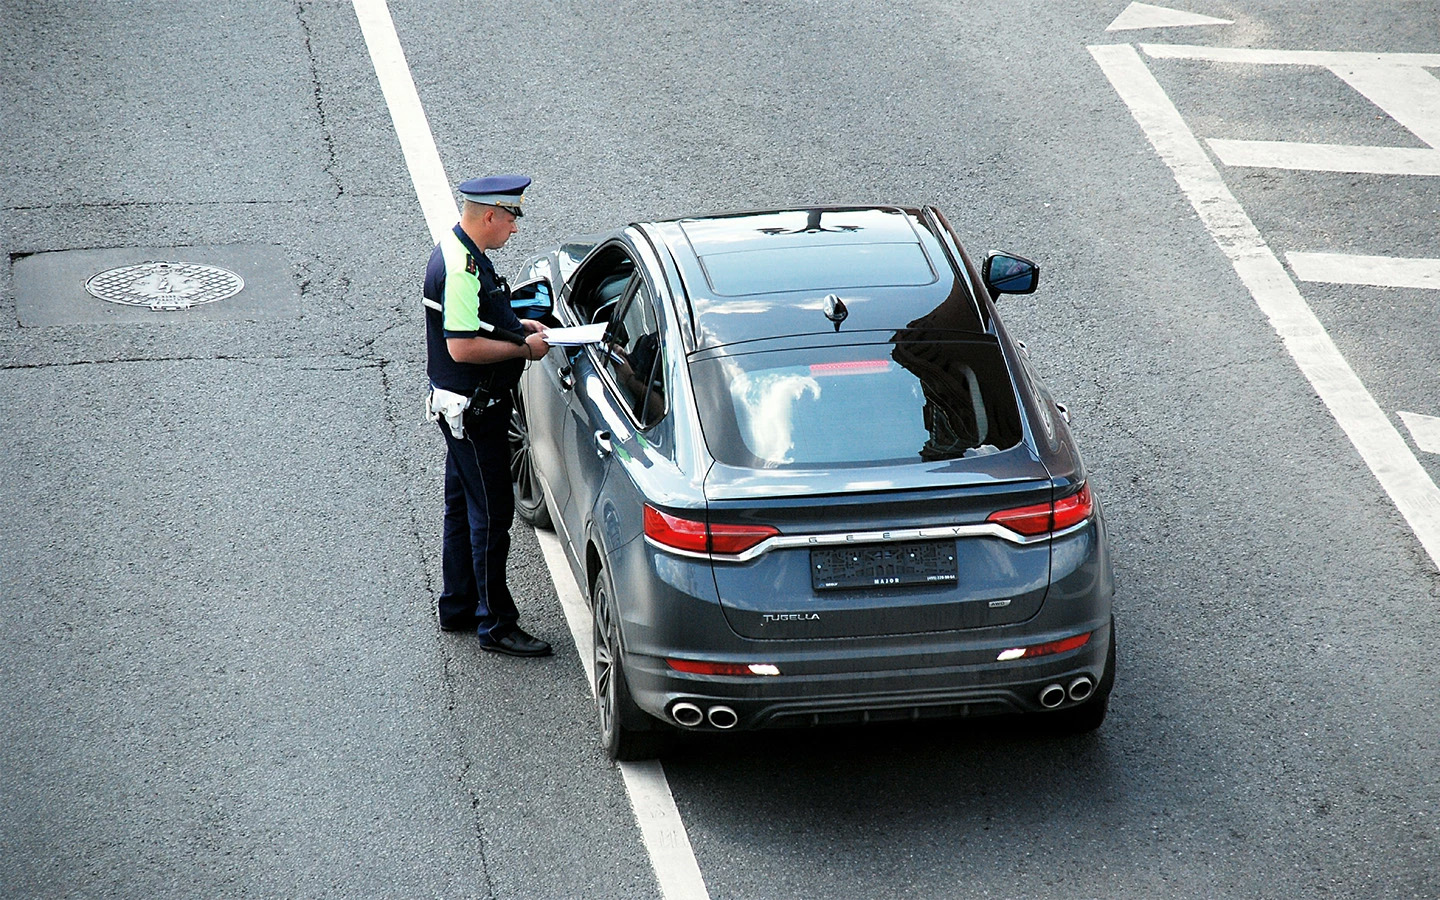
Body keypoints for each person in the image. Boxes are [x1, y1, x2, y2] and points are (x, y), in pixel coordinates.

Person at [422, 174, 553, 657]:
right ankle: (495, 624)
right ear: (492, 214)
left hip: (462, 410)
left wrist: (517, 324)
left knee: (461, 508)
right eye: (513, 217)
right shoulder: (461, 269)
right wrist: (526, 347)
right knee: (493, 517)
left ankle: (457, 606)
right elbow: (462, 346)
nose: (516, 228)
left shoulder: (460, 252)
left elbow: (476, 318)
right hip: (476, 414)